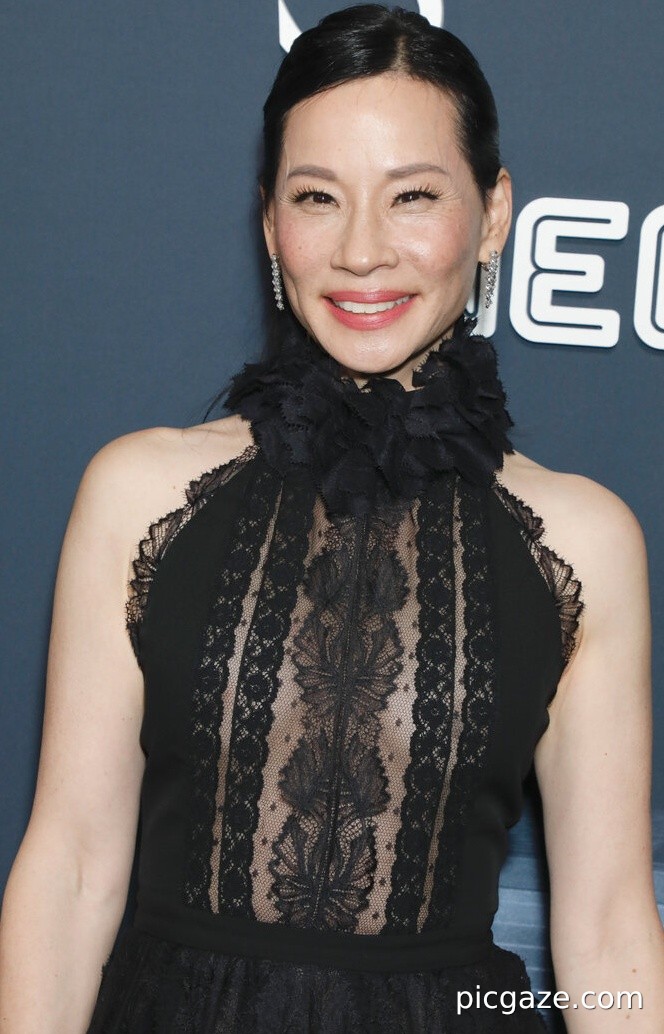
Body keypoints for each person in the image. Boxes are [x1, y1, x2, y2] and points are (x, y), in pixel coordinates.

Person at [1, 4, 663, 1031]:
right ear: (271, 222)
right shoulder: (137, 493)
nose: (361, 251)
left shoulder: (581, 541)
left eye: (412, 197)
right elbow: (73, 867)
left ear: (493, 214)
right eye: (318, 197)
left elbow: (612, 930)